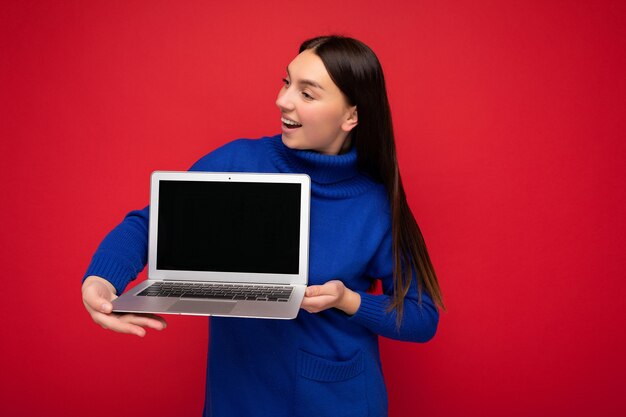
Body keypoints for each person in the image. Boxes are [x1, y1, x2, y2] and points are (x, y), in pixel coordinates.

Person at [82, 35, 445, 417]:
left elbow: (422, 317)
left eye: (308, 94)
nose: (283, 100)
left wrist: (346, 300)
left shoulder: (373, 204)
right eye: (287, 82)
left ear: (350, 116)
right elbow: (147, 225)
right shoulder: (237, 161)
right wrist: (102, 281)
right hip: (236, 397)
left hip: (337, 401)